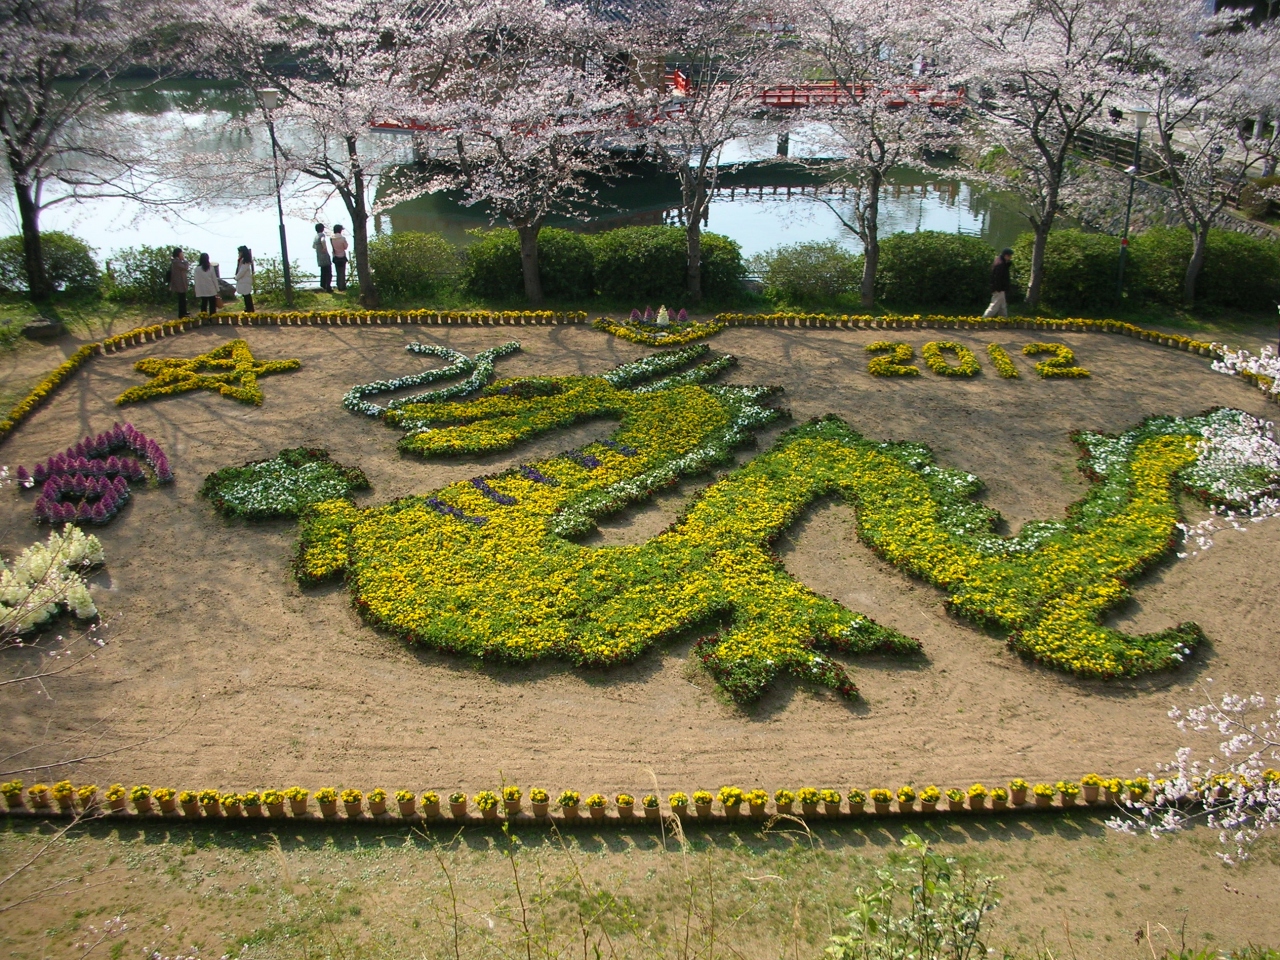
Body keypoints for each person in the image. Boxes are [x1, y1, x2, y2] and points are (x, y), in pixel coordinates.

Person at [983, 248, 1014, 318]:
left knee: (1002, 306)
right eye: (1010, 256)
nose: (1011, 257)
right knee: (994, 306)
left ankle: (1004, 319)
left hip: (1000, 288)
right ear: (1006, 255)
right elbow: (998, 278)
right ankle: (984, 319)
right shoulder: (1000, 265)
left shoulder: (1000, 262)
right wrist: (999, 288)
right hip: (999, 288)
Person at [167, 248, 190, 319]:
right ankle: (181, 314)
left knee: (183, 298)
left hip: (181, 282)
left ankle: (184, 312)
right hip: (179, 283)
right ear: (178, 254)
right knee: (181, 298)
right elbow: (185, 267)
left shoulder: (177, 261)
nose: (182, 254)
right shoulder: (176, 262)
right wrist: (185, 260)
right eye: (181, 253)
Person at [313, 223, 333, 293]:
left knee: (323, 272)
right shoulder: (322, 235)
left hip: (319, 256)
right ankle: (328, 287)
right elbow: (323, 240)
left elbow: (313, 246)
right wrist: (324, 247)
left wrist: (318, 248)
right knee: (328, 272)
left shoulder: (315, 237)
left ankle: (323, 285)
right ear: (322, 229)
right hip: (324, 256)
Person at [235, 245, 255, 313]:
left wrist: (237, 277)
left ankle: (250, 309)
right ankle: (248, 308)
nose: (239, 253)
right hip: (243, 281)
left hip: (245, 281)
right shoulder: (242, 260)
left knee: (247, 295)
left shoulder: (245, 261)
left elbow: (242, 271)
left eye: (239, 252)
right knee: (245, 295)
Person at [330, 225, 349, 292]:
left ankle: (338, 285)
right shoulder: (342, 238)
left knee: (338, 272)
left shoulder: (331, 238)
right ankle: (342, 286)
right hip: (342, 256)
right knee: (342, 272)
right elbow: (345, 247)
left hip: (335, 256)